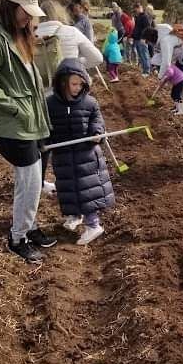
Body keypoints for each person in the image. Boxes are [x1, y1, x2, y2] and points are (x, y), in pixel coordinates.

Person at [0, 0, 57, 264]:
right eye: (25, 12)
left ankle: (30, 226)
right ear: (11, 8)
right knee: (30, 182)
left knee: (35, 178)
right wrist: (14, 108)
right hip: (13, 125)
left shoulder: (20, 36)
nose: (29, 18)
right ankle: (17, 238)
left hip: (32, 121)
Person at [36, 0, 104, 195]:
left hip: (43, 96)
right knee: (76, 140)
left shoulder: (32, 35)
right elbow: (97, 58)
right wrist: (76, 62)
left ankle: (38, 182)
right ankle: (81, 181)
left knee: (44, 142)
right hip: (71, 96)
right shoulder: (71, 32)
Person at [46, 58, 115, 245]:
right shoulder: (50, 104)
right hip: (62, 154)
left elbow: (97, 120)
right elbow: (46, 127)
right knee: (68, 187)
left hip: (86, 154)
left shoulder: (90, 102)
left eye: (80, 84)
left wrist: (97, 133)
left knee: (87, 189)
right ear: (63, 82)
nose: (77, 87)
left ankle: (94, 225)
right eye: (74, 84)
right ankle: (74, 216)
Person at [131, 2, 152, 76]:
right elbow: (136, 28)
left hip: (142, 40)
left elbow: (148, 28)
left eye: (137, 8)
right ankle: (144, 70)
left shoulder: (144, 17)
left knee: (144, 55)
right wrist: (132, 36)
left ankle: (147, 71)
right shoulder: (138, 17)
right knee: (141, 55)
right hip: (137, 39)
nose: (136, 10)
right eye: (135, 9)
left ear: (140, 8)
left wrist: (144, 38)